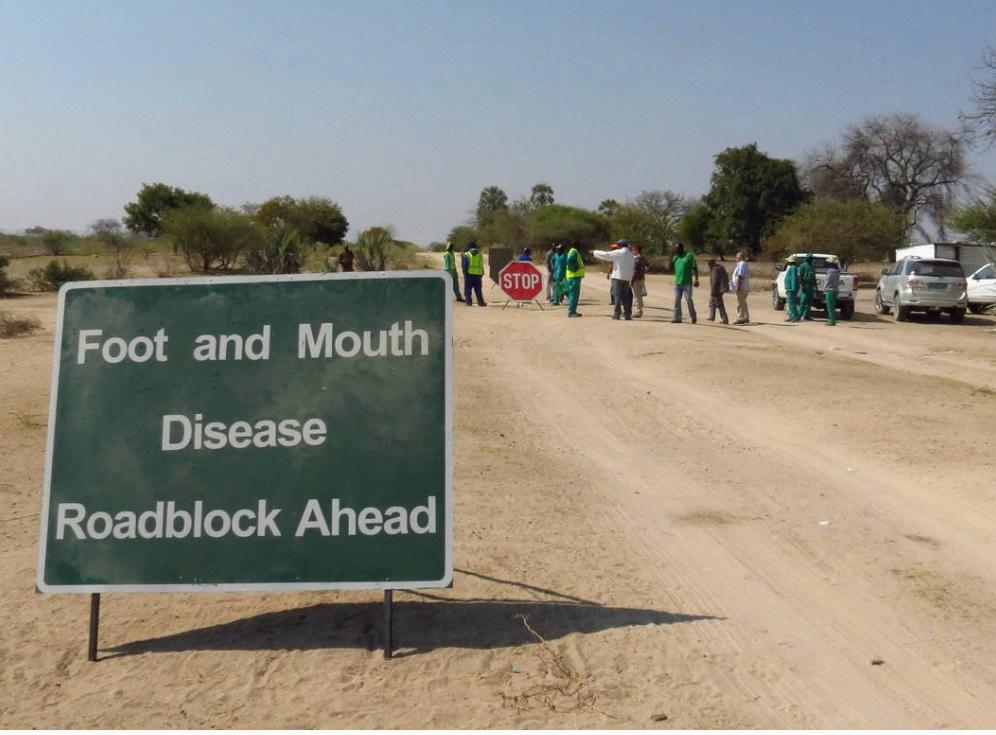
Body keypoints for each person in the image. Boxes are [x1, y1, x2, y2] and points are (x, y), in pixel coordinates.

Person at [593, 239, 636, 321]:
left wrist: (594, 253)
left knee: (617, 296)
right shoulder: (631, 255)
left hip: (617, 278)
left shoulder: (619, 252)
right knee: (626, 297)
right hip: (627, 279)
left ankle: (617, 314)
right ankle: (627, 315)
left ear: (620, 245)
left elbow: (606, 255)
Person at [671, 242, 699, 323]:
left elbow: (695, 268)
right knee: (677, 300)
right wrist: (671, 256)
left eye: (677, 248)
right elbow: (670, 267)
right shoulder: (676, 258)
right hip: (677, 283)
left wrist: (696, 279)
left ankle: (693, 316)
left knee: (688, 299)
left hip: (687, 283)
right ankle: (677, 318)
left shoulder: (689, 256)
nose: (676, 250)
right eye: (675, 249)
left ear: (682, 248)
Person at [563, 241, 585, 317]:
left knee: (574, 295)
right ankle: (571, 312)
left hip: (574, 276)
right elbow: (569, 261)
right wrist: (573, 269)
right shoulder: (574, 252)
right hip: (574, 277)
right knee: (573, 295)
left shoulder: (573, 251)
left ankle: (573, 311)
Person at [461, 241, 487, 306]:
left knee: (468, 289)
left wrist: (464, 272)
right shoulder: (480, 254)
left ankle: (468, 302)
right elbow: (481, 264)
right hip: (478, 274)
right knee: (478, 289)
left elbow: (465, 265)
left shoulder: (466, 254)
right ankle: (481, 302)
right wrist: (482, 273)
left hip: (468, 274)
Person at [706, 258, 729, 324]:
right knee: (712, 302)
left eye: (709, 264)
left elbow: (714, 280)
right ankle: (711, 316)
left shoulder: (715, 269)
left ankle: (725, 319)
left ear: (711, 263)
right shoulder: (720, 267)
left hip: (717, 289)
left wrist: (713, 290)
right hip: (722, 288)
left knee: (719, 304)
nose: (708, 266)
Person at [731, 250, 751, 324]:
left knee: (740, 303)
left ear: (740, 258)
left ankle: (741, 318)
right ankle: (745, 317)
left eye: (737, 257)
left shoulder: (742, 264)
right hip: (742, 287)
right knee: (742, 303)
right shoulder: (741, 264)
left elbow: (740, 276)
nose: (736, 259)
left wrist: (738, 286)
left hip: (742, 287)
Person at [631, 244, 649, 318]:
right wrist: (644, 271)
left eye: (633, 250)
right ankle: (639, 310)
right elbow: (648, 265)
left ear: (636, 250)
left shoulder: (637, 259)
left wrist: (631, 281)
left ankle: (638, 312)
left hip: (636, 279)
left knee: (636, 296)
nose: (632, 251)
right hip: (641, 279)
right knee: (639, 295)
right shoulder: (643, 258)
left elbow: (635, 271)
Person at [798, 252, 817, 321]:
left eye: (811, 258)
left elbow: (814, 276)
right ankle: (799, 315)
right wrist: (802, 285)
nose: (811, 259)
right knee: (803, 301)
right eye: (809, 258)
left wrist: (815, 286)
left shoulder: (812, 266)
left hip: (811, 285)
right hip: (805, 284)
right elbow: (800, 276)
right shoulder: (802, 266)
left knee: (809, 301)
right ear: (807, 259)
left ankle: (806, 315)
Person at [824, 255, 841, 326]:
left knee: (829, 306)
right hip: (835, 289)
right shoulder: (838, 271)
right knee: (832, 305)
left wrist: (824, 288)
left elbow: (828, 280)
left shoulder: (830, 271)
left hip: (829, 289)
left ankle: (831, 320)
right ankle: (832, 319)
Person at [783, 254, 801, 322]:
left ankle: (794, 317)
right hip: (789, 288)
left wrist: (793, 288)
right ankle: (792, 316)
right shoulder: (792, 268)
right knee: (790, 303)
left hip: (791, 289)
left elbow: (794, 278)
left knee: (791, 303)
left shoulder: (793, 268)